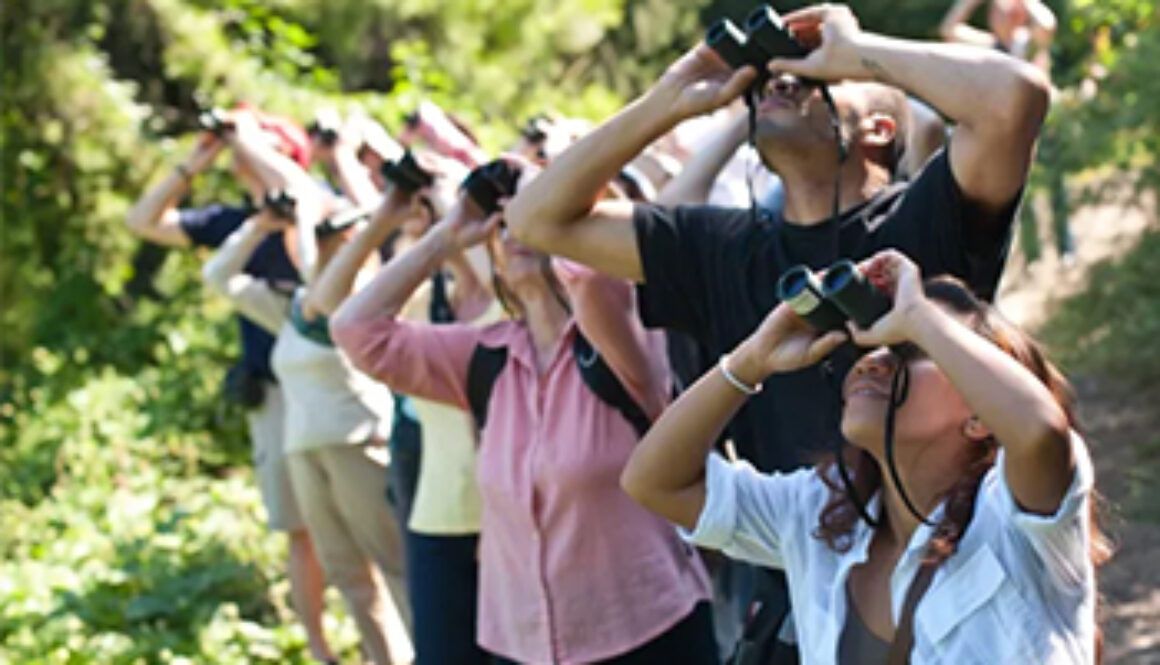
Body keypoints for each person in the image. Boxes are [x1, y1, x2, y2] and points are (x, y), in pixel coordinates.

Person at [505, 4, 1049, 658]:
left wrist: (853, 50)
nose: (782, 80)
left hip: (959, 573)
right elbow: (536, 220)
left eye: (815, 82)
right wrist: (669, 100)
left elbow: (1015, 99)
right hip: (798, 579)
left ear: (877, 129)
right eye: (772, 78)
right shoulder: (718, 245)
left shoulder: (926, 219)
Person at [622, 249, 1110, 664]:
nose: (874, 360)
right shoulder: (819, 516)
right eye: (870, 347)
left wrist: (919, 315)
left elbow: (1041, 431)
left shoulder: (1015, 518)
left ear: (981, 415)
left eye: (907, 350)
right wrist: (752, 360)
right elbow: (655, 480)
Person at [331, 177, 717, 665]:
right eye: (504, 226)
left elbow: (594, 275)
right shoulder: (482, 356)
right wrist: (445, 237)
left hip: (646, 630)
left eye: (527, 221)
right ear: (491, 263)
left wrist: (554, 202)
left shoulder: (621, 341)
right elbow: (355, 329)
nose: (515, 231)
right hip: (523, 642)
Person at [123, 115, 337, 663]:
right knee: (299, 530)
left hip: (332, 391)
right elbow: (143, 220)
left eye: (253, 150)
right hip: (273, 395)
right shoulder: (235, 224)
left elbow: (303, 189)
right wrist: (194, 162)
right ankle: (320, 648)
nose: (241, 157)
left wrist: (246, 135)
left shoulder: (322, 215)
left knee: (356, 522)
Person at [202, 116, 413, 665]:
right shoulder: (292, 310)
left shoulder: (360, 296)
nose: (315, 244)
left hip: (358, 441)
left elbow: (327, 264)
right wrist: (259, 225)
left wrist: (300, 204)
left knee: (393, 564)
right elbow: (220, 277)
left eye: (327, 236)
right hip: (305, 448)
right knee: (347, 574)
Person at [310, 164, 494, 665]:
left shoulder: (514, 302)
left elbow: (495, 285)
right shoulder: (419, 303)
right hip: (436, 512)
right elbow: (329, 303)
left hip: (510, 514)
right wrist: (385, 215)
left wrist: (459, 211)